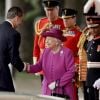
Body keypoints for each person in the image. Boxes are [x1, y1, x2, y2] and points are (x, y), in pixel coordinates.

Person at [26, 28, 75, 100]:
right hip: (47, 90)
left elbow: (71, 71)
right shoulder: (46, 51)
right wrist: (26, 67)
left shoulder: (67, 52)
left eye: (49, 39)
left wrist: (57, 83)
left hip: (63, 90)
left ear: (57, 41)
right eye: (46, 39)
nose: (46, 41)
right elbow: (39, 66)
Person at [33, 0, 65, 81]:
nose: (50, 13)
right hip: (43, 63)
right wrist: (35, 64)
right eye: (48, 10)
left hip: (59, 63)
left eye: (52, 10)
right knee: (45, 91)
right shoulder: (40, 23)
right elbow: (36, 46)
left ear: (57, 9)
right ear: (44, 10)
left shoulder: (64, 23)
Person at [0, 6, 25, 92]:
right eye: (21, 20)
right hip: (2, 77)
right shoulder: (14, 34)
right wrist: (24, 67)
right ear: (17, 18)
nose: (21, 23)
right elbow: (14, 58)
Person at [61, 8, 82, 100]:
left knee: (71, 95)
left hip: (70, 69)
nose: (65, 21)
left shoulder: (80, 34)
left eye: (67, 19)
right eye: (64, 19)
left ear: (74, 19)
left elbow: (81, 54)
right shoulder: (60, 33)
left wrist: (75, 66)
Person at [82, 0, 100, 100]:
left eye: (96, 27)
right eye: (90, 27)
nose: (92, 30)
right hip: (89, 80)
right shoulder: (89, 41)